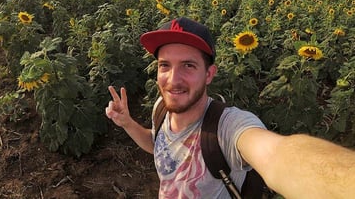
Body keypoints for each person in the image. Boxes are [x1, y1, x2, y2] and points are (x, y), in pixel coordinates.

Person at [106, 17, 355, 199]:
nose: (173, 79)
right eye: (165, 66)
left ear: (209, 74)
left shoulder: (226, 128)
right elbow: (159, 146)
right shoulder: (162, 108)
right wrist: (127, 122)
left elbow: (278, 156)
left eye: (188, 66)